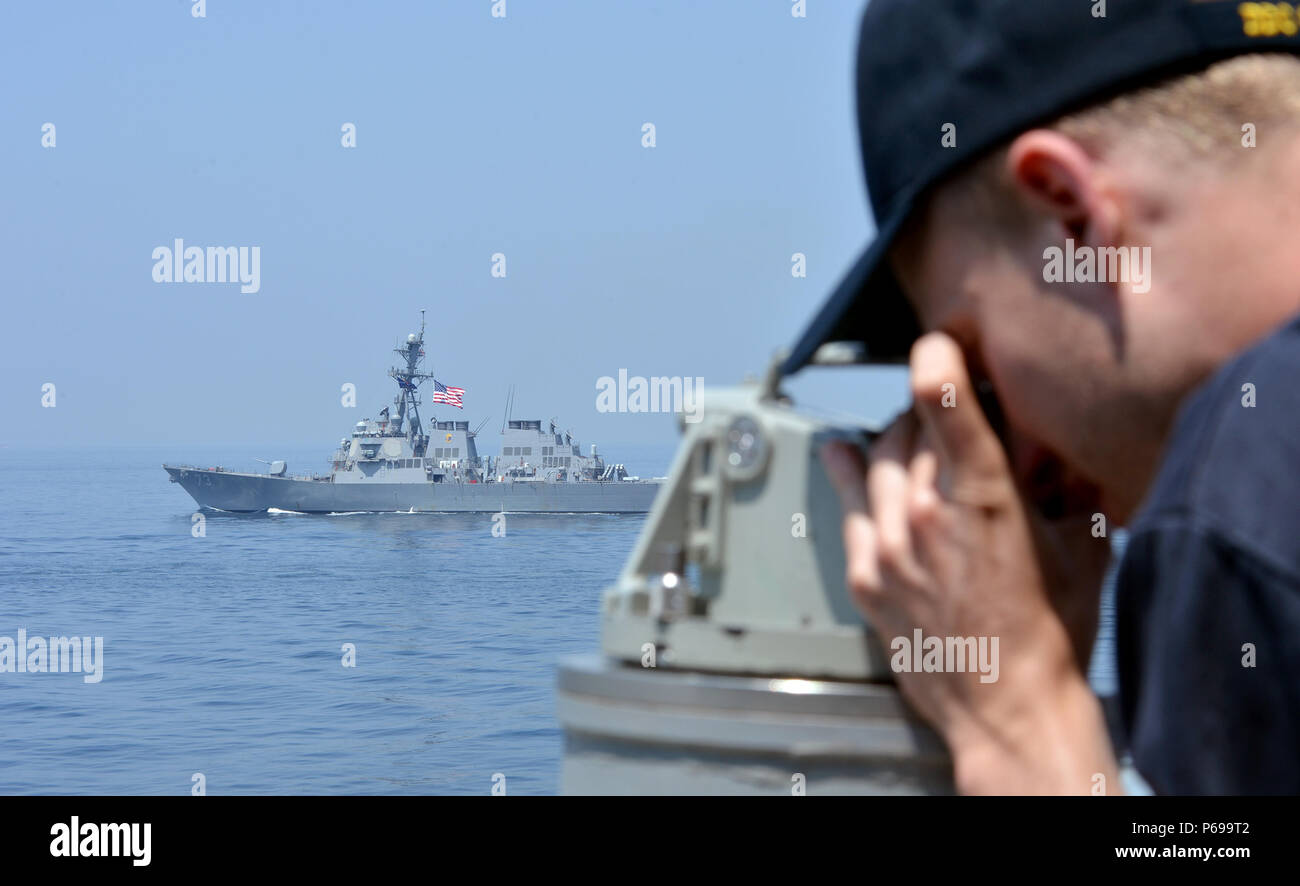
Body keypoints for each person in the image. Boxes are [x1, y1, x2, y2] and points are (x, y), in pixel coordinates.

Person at [782, 0, 1300, 794]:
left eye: (973, 360)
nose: (1021, 459)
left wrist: (1020, 722)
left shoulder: (1236, 498)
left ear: (1072, 216)